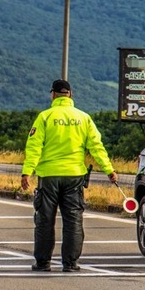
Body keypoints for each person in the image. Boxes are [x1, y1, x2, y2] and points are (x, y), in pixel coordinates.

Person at [20, 79, 118, 272]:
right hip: (74, 176)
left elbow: (34, 147)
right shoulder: (83, 118)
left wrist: (27, 171)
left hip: (49, 176)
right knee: (73, 219)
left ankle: (43, 262)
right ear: (70, 95)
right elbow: (96, 147)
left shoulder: (45, 117)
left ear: (53, 95)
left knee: (45, 220)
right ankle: (71, 263)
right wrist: (109, 170)